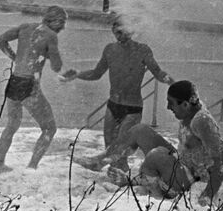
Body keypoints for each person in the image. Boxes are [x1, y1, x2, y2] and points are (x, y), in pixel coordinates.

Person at [75, 81, 223, 205]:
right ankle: (100, 161)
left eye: (171, 103)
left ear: (185, 105)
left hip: (190, 179)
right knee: (140, 130)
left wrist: (207, 196)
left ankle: (131, 182)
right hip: (182, 164)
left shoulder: (202, 121)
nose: (168, 107)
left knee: (157, 156)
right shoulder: (191, 107)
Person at [61, 15, 174, 172]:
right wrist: (77, 74)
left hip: (132, 107)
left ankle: (99, 165)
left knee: (119, 147)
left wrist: (170, 81)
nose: (118, 36)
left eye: (122, 32)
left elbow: (157, 72)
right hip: (112, 105)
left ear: (131, 31)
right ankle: (117, 181)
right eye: (116, 32)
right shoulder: (110, 49)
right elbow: (96, 73)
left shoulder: (143, 50)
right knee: (111, 149)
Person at [0, 5, 75, 174]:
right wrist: (65, 71)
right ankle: (32, 167)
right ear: (55, 21)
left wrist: (14, 57)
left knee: (12, 125)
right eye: (62, 23)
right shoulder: (51, 35)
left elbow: (0, 41)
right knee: (49, 128)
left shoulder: (25, 27)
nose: (63, 28)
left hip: (14, 81)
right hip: (29, 85)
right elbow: (56, 66)